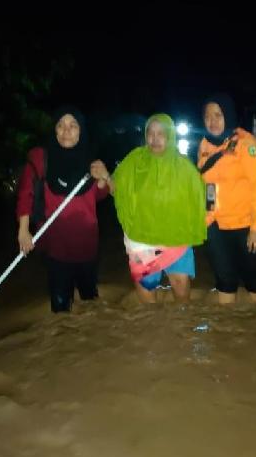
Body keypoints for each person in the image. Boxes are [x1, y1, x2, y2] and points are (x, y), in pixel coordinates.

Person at [16, 107, 111, 312]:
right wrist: (23, 230)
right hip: (56, 247)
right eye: (61, 125)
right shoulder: (41, 158)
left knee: (90, 303)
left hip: (87, 245)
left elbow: (98, 195)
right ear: (54, 130)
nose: (66, 131)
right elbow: (25, 193)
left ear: (81, 131)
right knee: (60, 310)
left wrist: (103, 178)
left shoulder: (91, 160)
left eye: (73, 125)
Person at [111, 113, 206, 303]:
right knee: (147, 304)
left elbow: (202, 198)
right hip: (142, 240)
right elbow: (116, 189)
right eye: (150, 133)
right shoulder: (134, 161)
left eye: (161, 133)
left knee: (182, 295)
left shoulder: (184, 167)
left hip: (176, 237)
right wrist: (105, 177)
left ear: (170, 137)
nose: (154, 139)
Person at [197, 93, 256, 304]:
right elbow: (208, 184)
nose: (213, 121)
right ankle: (227, 330)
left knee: (253, 277)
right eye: (208, 116)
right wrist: (207, 220)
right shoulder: (205, 146)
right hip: (217, 225)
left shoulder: (248, 145)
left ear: (228, 115)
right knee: (224, 278)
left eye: (218, 115)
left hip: (246, 223)